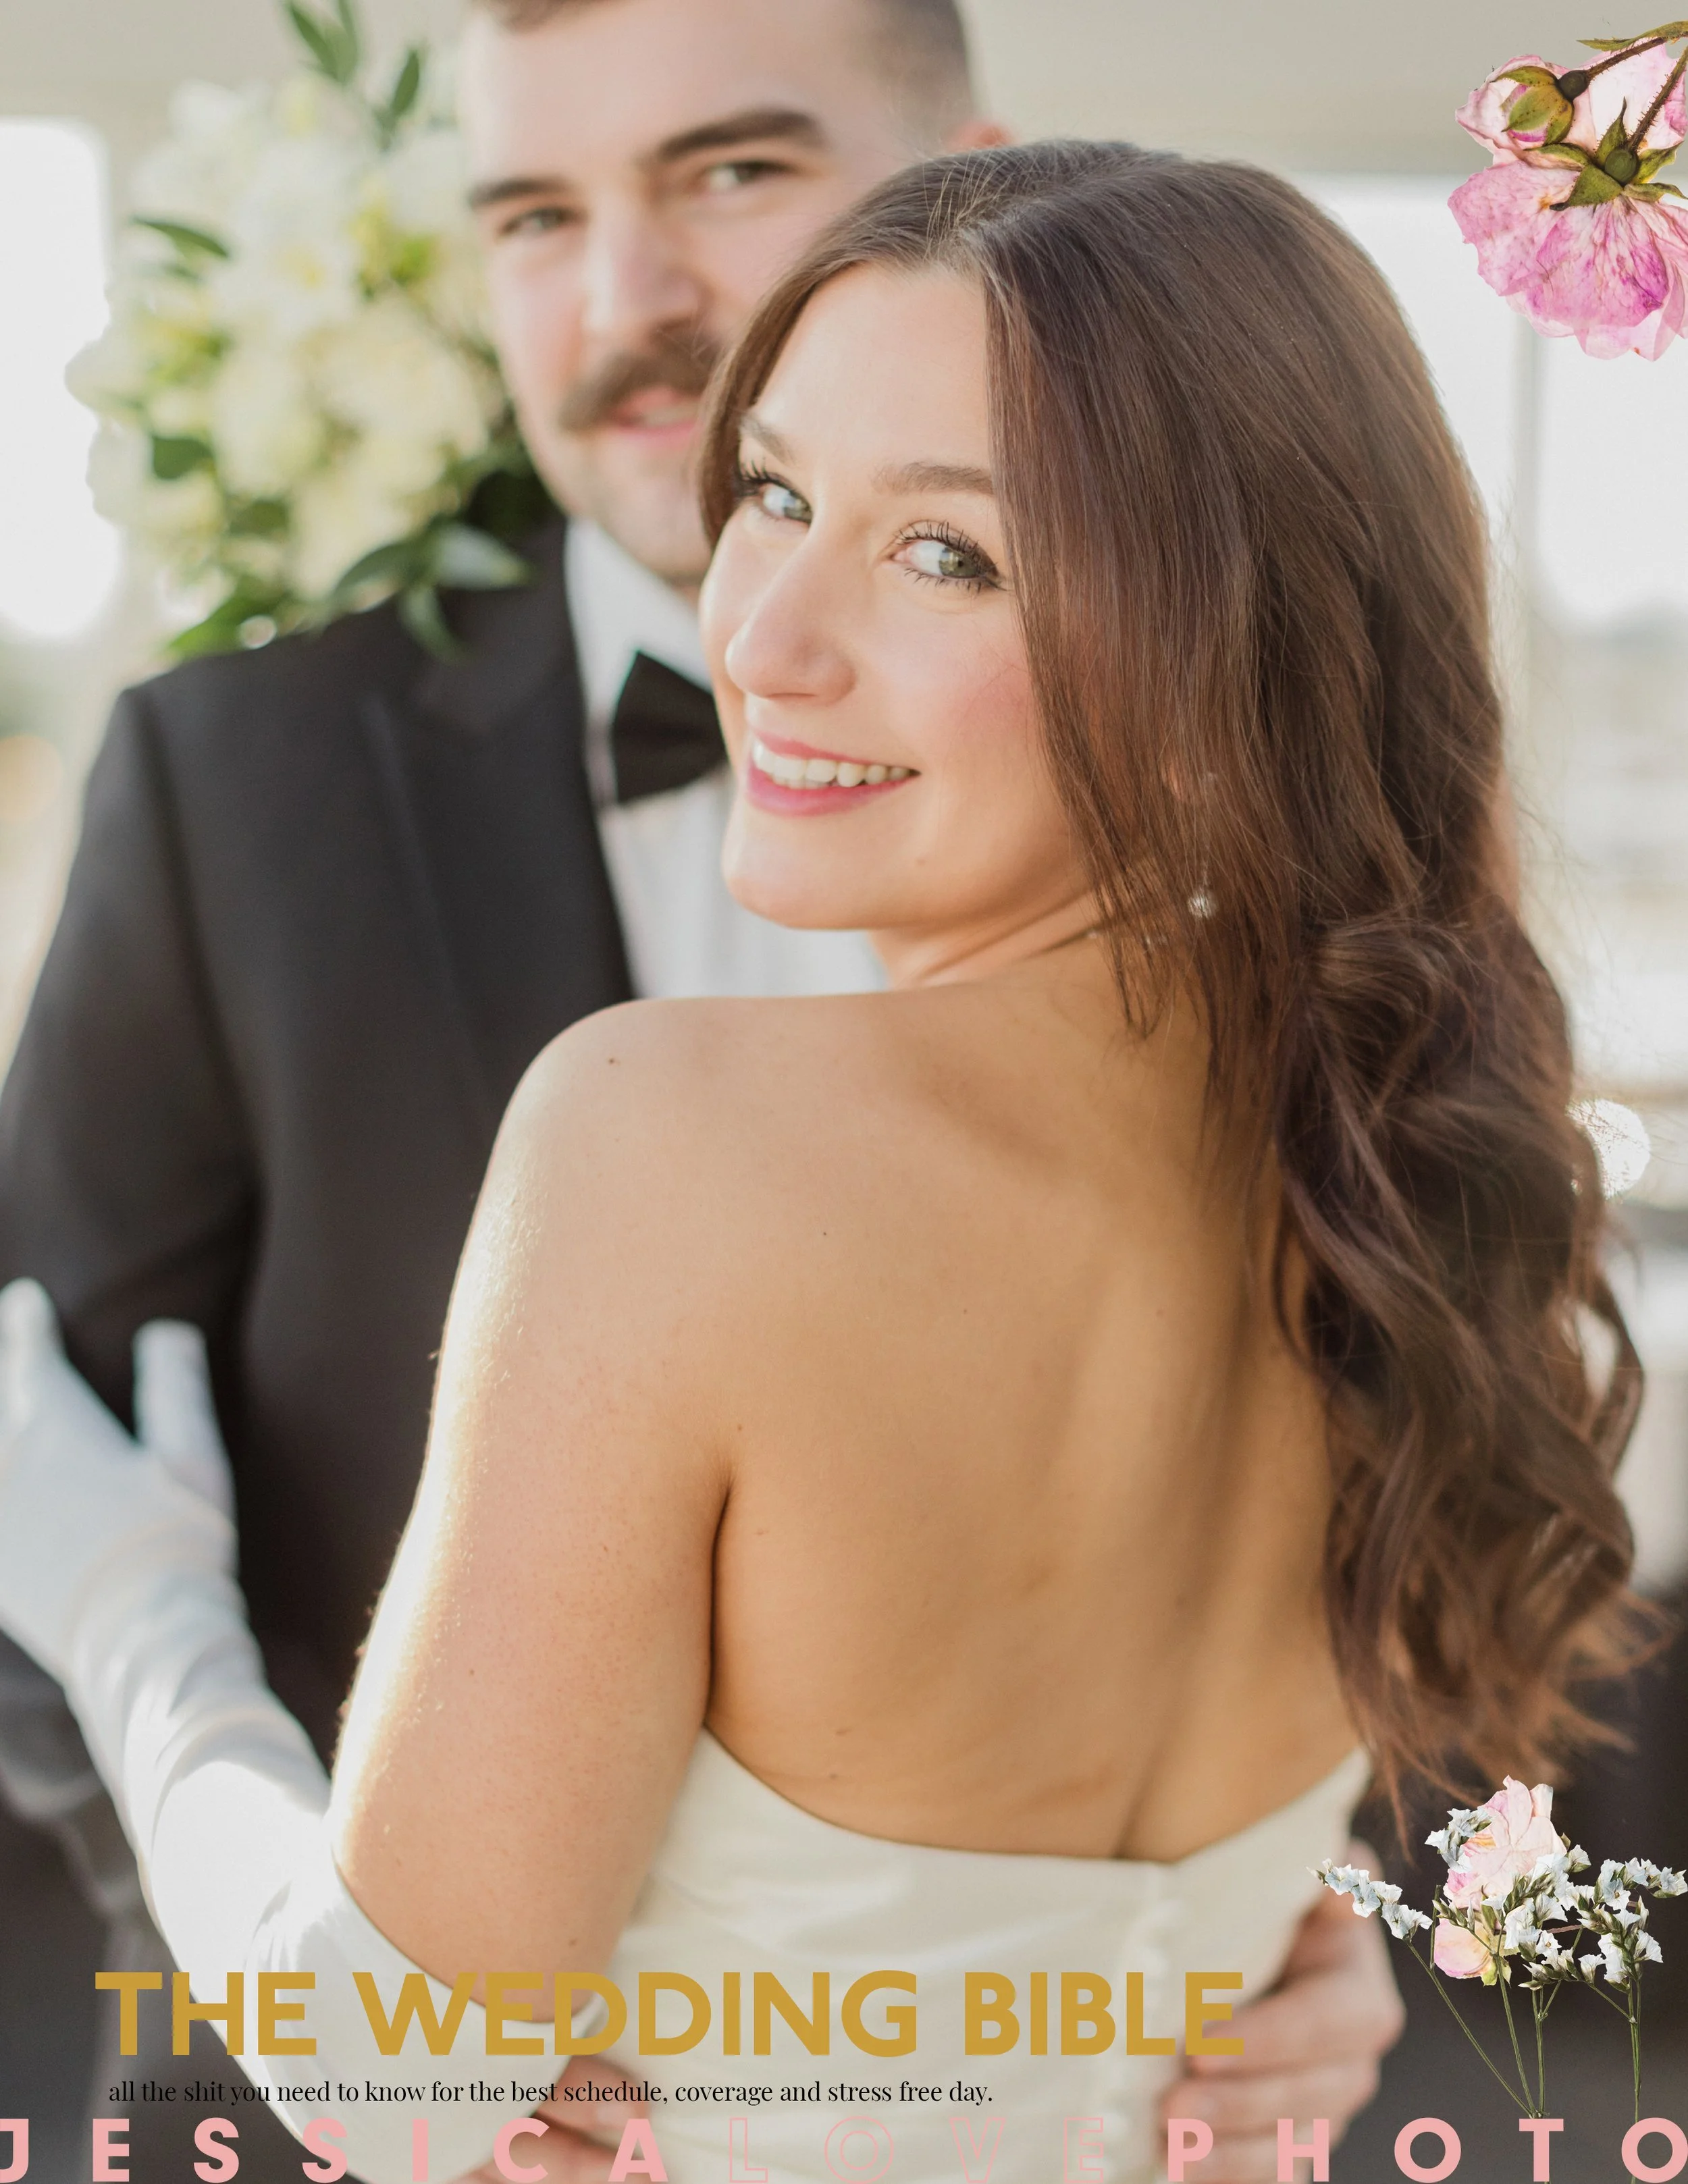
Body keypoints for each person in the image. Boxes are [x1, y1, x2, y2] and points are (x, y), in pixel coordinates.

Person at [0, 142, 1638, 2184]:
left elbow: (393, 2083)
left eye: (946, 556)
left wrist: (132, 1609)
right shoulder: (1384, 1165)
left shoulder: (663, 1133)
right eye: (773, 492)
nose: (761, 636)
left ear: (1230, 666)